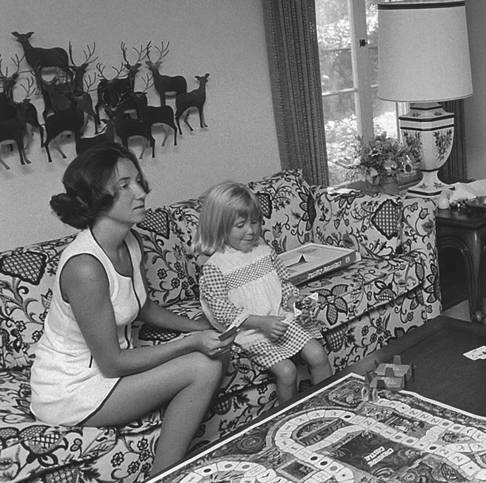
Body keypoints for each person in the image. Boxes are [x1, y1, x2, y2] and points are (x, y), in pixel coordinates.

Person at [30, 143, 234, 475]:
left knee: (220, 351)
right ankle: (164, 474)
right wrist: (191, 343)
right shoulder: (85, 267)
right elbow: (112, 364)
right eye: (124, 185)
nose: (140, 192)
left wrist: (201, 326)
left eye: (138, 181)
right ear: (97, 197)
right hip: (73, 388)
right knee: (202, 366)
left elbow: (143, 307)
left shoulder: (130, 241)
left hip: (110, 368)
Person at [194, 181, 332, 406]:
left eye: (255, 222)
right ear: (220, 227)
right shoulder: (216, 266)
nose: (250, 231)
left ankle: (329, 403)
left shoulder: (265, 251)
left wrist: (293, 301)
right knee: (287, 372)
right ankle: (288, 416)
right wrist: (260, 322)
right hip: (252, 332)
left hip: (280, 320)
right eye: (240, 225)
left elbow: (283, 284)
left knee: (317, 354)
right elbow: (223, 312)